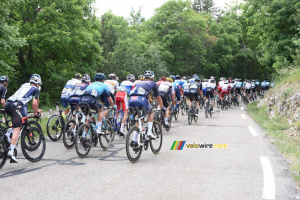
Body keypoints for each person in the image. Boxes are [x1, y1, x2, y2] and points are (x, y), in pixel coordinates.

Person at [5, 74, 42, 163]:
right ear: (38, 83)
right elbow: (34, 103)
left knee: (15, 122)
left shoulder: (25, 85)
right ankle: (11, 151)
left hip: (8, 103)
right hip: (16, 105)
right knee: (17, 128)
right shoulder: (36, 89)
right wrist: (35, 113)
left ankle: (7, 135)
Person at [128, 70, 164, 141]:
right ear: (152, 78)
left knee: (139, 118)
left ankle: (134, 139)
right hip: (141, 99)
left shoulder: (139, 82)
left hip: (131, 99)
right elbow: (158, 97)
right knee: (151, 112)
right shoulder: (153, 83)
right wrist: (161, 107)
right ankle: (149, 132)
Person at [115, 74, 135, 138]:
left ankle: (116, 122)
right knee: (125, 112)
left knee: (118, 111)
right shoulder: (132, 84)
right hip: (123, 95)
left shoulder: (123, 82)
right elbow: (132, 93)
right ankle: (121, 129)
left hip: (117, 95)